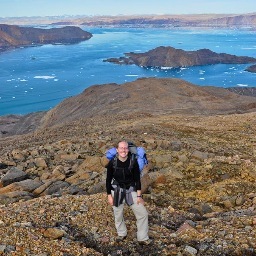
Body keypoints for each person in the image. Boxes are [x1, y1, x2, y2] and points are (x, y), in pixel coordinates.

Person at [106, 140, 151, 245]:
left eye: (125, 148)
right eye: (121, 148)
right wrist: (109, 196)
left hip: (131, 190)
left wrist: (139, 195)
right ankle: (121, 233)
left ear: (128, 150)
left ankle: (142, 237)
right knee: (118, 214)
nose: (123, 150)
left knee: (143, 213)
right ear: (117, 150)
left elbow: (137, 180)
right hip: (116, 190)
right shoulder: (112, 163)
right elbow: (108, 180)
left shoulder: (133, 162)